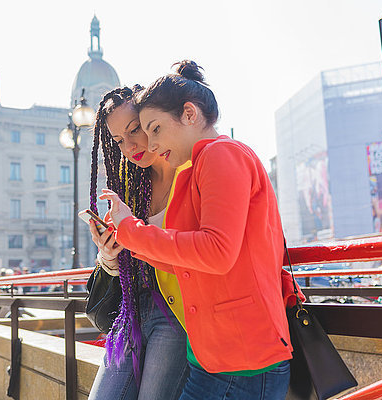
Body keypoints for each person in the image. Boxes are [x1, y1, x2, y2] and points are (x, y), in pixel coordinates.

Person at [100, 61, 301, 400]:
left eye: (155, 129)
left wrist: (131, 231)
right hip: (216, 355)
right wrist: (124, 237)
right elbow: (186, 261)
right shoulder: (201, 165)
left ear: (189, 114)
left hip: (243, 357)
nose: (150, 144)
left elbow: (217, 252)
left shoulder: (222, 154)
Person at [87, 86, 188, 400]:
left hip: (176, 311)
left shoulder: (188, 171)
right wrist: (109, 256)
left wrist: (134, 231)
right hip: (131, 309)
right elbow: (121, 259)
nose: (129, 146)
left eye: (135, 130)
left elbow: (200, 246)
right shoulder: (130, 181)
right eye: (118, 140)